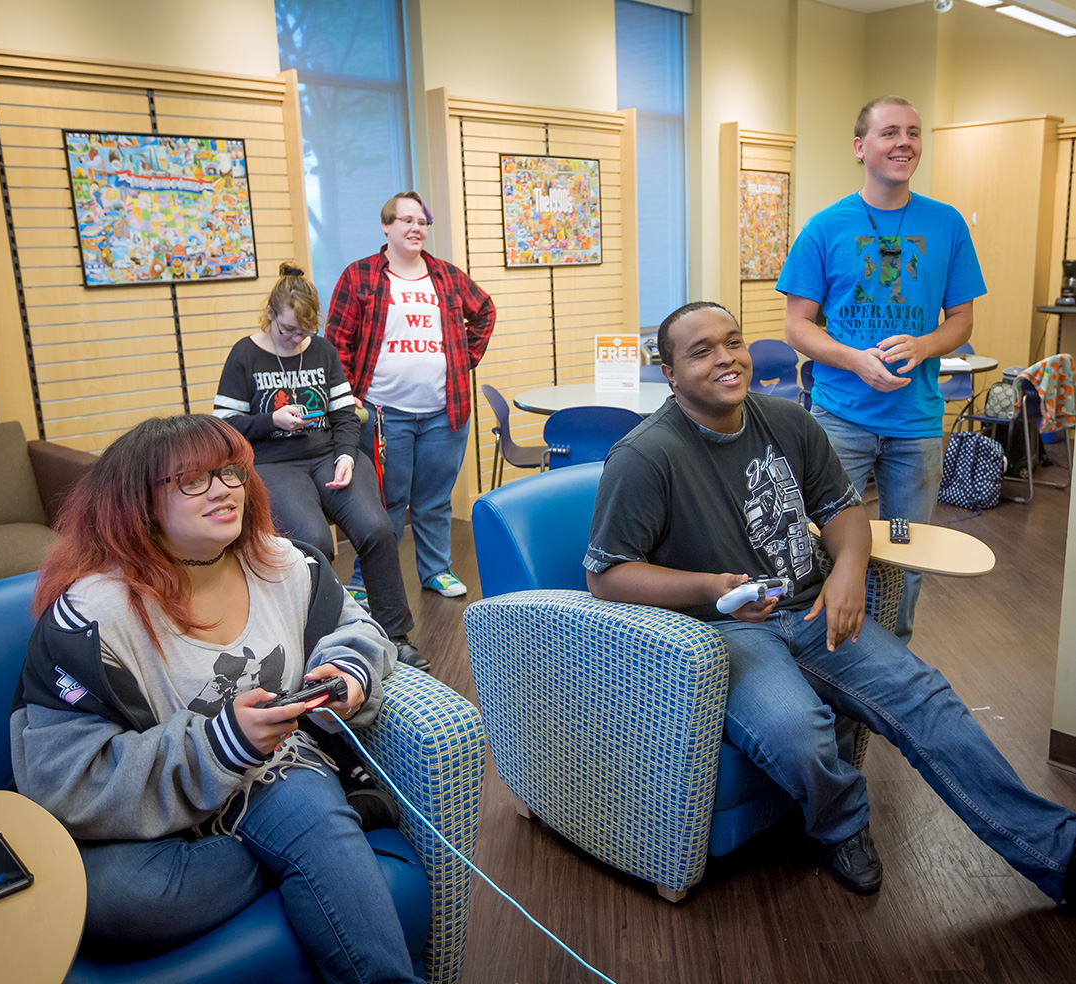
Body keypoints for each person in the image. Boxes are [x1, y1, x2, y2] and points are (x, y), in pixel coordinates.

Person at [584, 301, 1075, 904]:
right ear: (670, 372)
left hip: (813, 609)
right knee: (800, 733)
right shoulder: (645, 457)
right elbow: (607, 578)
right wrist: (711, 588)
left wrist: (848, 568)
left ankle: (1058, 853)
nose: (726, 359)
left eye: (732, 342)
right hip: (719, 635)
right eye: (702, 351)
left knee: (929, 703)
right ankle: (841, 824)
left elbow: (842, 511)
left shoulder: (788, 421)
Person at [10, 414, 424, 983]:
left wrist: (349, 673)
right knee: (114, 899)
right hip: (156, 827)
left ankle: (319, 829)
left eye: (229, 471)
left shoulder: (286, 561)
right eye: (192, 480)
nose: (224, 489)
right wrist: (218, 745)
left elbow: (360, 630)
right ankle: (329, 831)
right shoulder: (89, 620)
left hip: (275, 782)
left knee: (300, 799)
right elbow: (63, 780)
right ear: (139, 504)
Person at [776, 95, 986, 644]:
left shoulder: (946, 224)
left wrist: (922, 347)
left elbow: (961, 320)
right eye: (890, 132)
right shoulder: (825, 228)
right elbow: (797, 326)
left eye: (914, 133)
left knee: (906, 560)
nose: (904, 143)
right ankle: (829, 662)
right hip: (840, 419)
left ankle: (891, 664)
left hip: (916, 425)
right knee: (827, 549)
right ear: (860, 147)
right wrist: (854, 360)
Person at [213, 262, 429, 671]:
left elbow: (346, 413)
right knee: (315, 543)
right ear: (271, 315)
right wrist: (270, 421)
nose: (297, 339)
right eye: (288, 330)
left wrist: (347, 454)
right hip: (276, 463)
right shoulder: (245, 354)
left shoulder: (321, 349)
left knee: (377, 530)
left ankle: (395, 635)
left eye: (304, 332)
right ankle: (328, 643)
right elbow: (223, 425)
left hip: (330, 454)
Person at [327, 191, 496, 599]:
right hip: (385, 415)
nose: (415, 228)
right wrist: (348, 395)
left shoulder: (447, 277)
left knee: (434, 501)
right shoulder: (360, 276)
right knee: (384, 503)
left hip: (445, 412)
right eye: (405, 220)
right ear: (386, 227)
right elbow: (336, 341)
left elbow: (485, 311)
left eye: (421, 222)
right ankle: (366, 583)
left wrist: (462, 360)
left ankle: (436, 570)